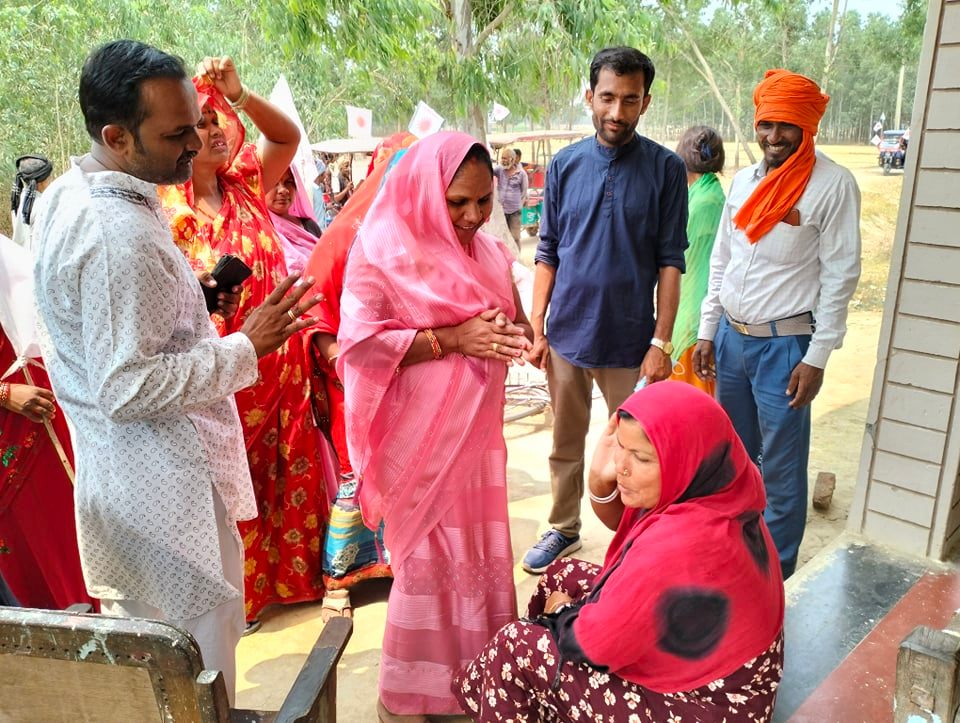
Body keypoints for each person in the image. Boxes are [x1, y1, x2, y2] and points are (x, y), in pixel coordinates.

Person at [31, 40, 320, 702]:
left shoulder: (69, 194)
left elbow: (91, 328)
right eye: (177, 131)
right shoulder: (118, 234)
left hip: (131, 483)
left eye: (197, 121)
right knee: (191, 670)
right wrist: (244, 345)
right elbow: (125, 385)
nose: (197, 141)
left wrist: (189, 294)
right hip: (162, 498)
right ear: (116, 134)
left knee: (156, 669)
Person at [338, 131, 533, 722]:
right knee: (426, 568)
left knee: (477, 558)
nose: (473, 216)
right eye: (457, 203)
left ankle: (476, 683)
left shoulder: (491, 253)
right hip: (418, 447)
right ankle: (409, 697)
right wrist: (453, 339)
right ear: (427, 192)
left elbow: (512, 317)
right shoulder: (382, 251)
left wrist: (515, 334)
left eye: (483, 200)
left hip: (477, 444)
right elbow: (359, 346)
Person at [454, 382, 785, 722]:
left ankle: (504, 693)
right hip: (723, 670)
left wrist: (564, 613)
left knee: (517, 645)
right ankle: (524, 700)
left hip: (707, 704)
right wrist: (599, 480)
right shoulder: (718, 489)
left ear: (684, 458)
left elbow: (595, 647)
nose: (621, 466)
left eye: (641, 457)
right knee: (561, 574)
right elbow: (628, 528)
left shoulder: (679, 543)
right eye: (621, 447)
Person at [159, 57, 339, 631]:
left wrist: (239, 93)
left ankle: (301, 580)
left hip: (280, 365)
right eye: (200, 121)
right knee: (232, 482)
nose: (212, 131)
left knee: (292, 470)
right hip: (221, 375)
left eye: (218, 120)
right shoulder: (166, 212)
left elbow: (287, 135)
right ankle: (243, 598)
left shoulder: (247, 184)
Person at [522, 46, 688, 574]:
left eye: (631, 100)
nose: (617, 112)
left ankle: (640, 540)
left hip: (631, 345)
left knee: (641, 450)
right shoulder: (565, 166)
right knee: (565, 442)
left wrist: (660, 343)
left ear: (646, 103)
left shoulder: (665, 169)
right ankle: (562, 528)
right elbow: (546, 253)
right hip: (568, 336)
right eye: (608, 98)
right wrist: (537, 327)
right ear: (589, 96)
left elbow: (670, 262)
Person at [693, 69, 861, 579]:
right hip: (732, 341)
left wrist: (817, 357)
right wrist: (707, 329)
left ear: (808, 127)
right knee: (736, 461)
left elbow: (841, 275)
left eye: (786, 125)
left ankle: (774, 577)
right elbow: (722, 259)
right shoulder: (744, 180)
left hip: (786, 348)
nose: (773, 136)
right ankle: (736, 558)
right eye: (766, 124)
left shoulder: (832, 185)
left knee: (783, 470)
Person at [302, 131, 415, 622]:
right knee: (357, 477)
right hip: (353, 383)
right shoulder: (342, 238)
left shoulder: (420, 236)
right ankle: (339, 577)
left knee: (405, 474)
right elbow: (312, 312)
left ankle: (395, 564)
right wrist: (347, 370)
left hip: (405, 379)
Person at [669, 126, 726, 395]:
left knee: (689, 402)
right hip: (698, 311)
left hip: (692, 316)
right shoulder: (710, 194)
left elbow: (678, 259)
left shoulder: (703, 203)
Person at [266, 165, 322, 275]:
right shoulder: (257, 230)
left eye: (289, 182)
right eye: (274, 182)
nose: (283, 190)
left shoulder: (309, 226)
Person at [10, 155, 54, 250]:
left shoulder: (20, 196)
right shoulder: (41, 205)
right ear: (41, 182)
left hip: (20, 254)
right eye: (49, 178)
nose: (51, 181)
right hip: (31, 259)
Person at [494, 148, 528, 245]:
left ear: (512, 159)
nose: (503, 160)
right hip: (502, 210)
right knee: (502, 236)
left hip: (515, 212)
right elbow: (489, 172)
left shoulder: (521, 174)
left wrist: (519, 205)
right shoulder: (499, 169)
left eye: (505, 158)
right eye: (502, 158)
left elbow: (524, 192)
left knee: (515, 237)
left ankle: (516, 258)